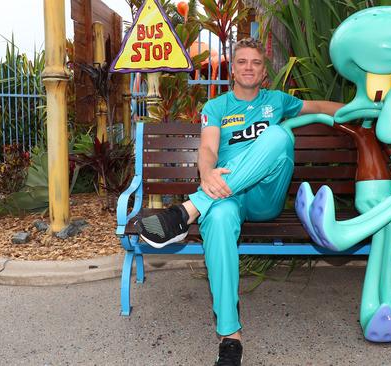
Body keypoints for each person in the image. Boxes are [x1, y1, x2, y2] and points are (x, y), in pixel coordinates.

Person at [135, 37, 343, 366]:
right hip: (225, 194)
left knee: (278, 136)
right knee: (217, 219)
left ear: (264, 73)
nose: (249, 67)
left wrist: (364, 109)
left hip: (264, 195)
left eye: (256, 63)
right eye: (243, 61)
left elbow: (319, 108)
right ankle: (230, 337)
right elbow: (208, 149)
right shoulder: (216, 107)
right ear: (233, 69)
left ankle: (187, 210)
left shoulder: (277, 101)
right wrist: (206, 173)